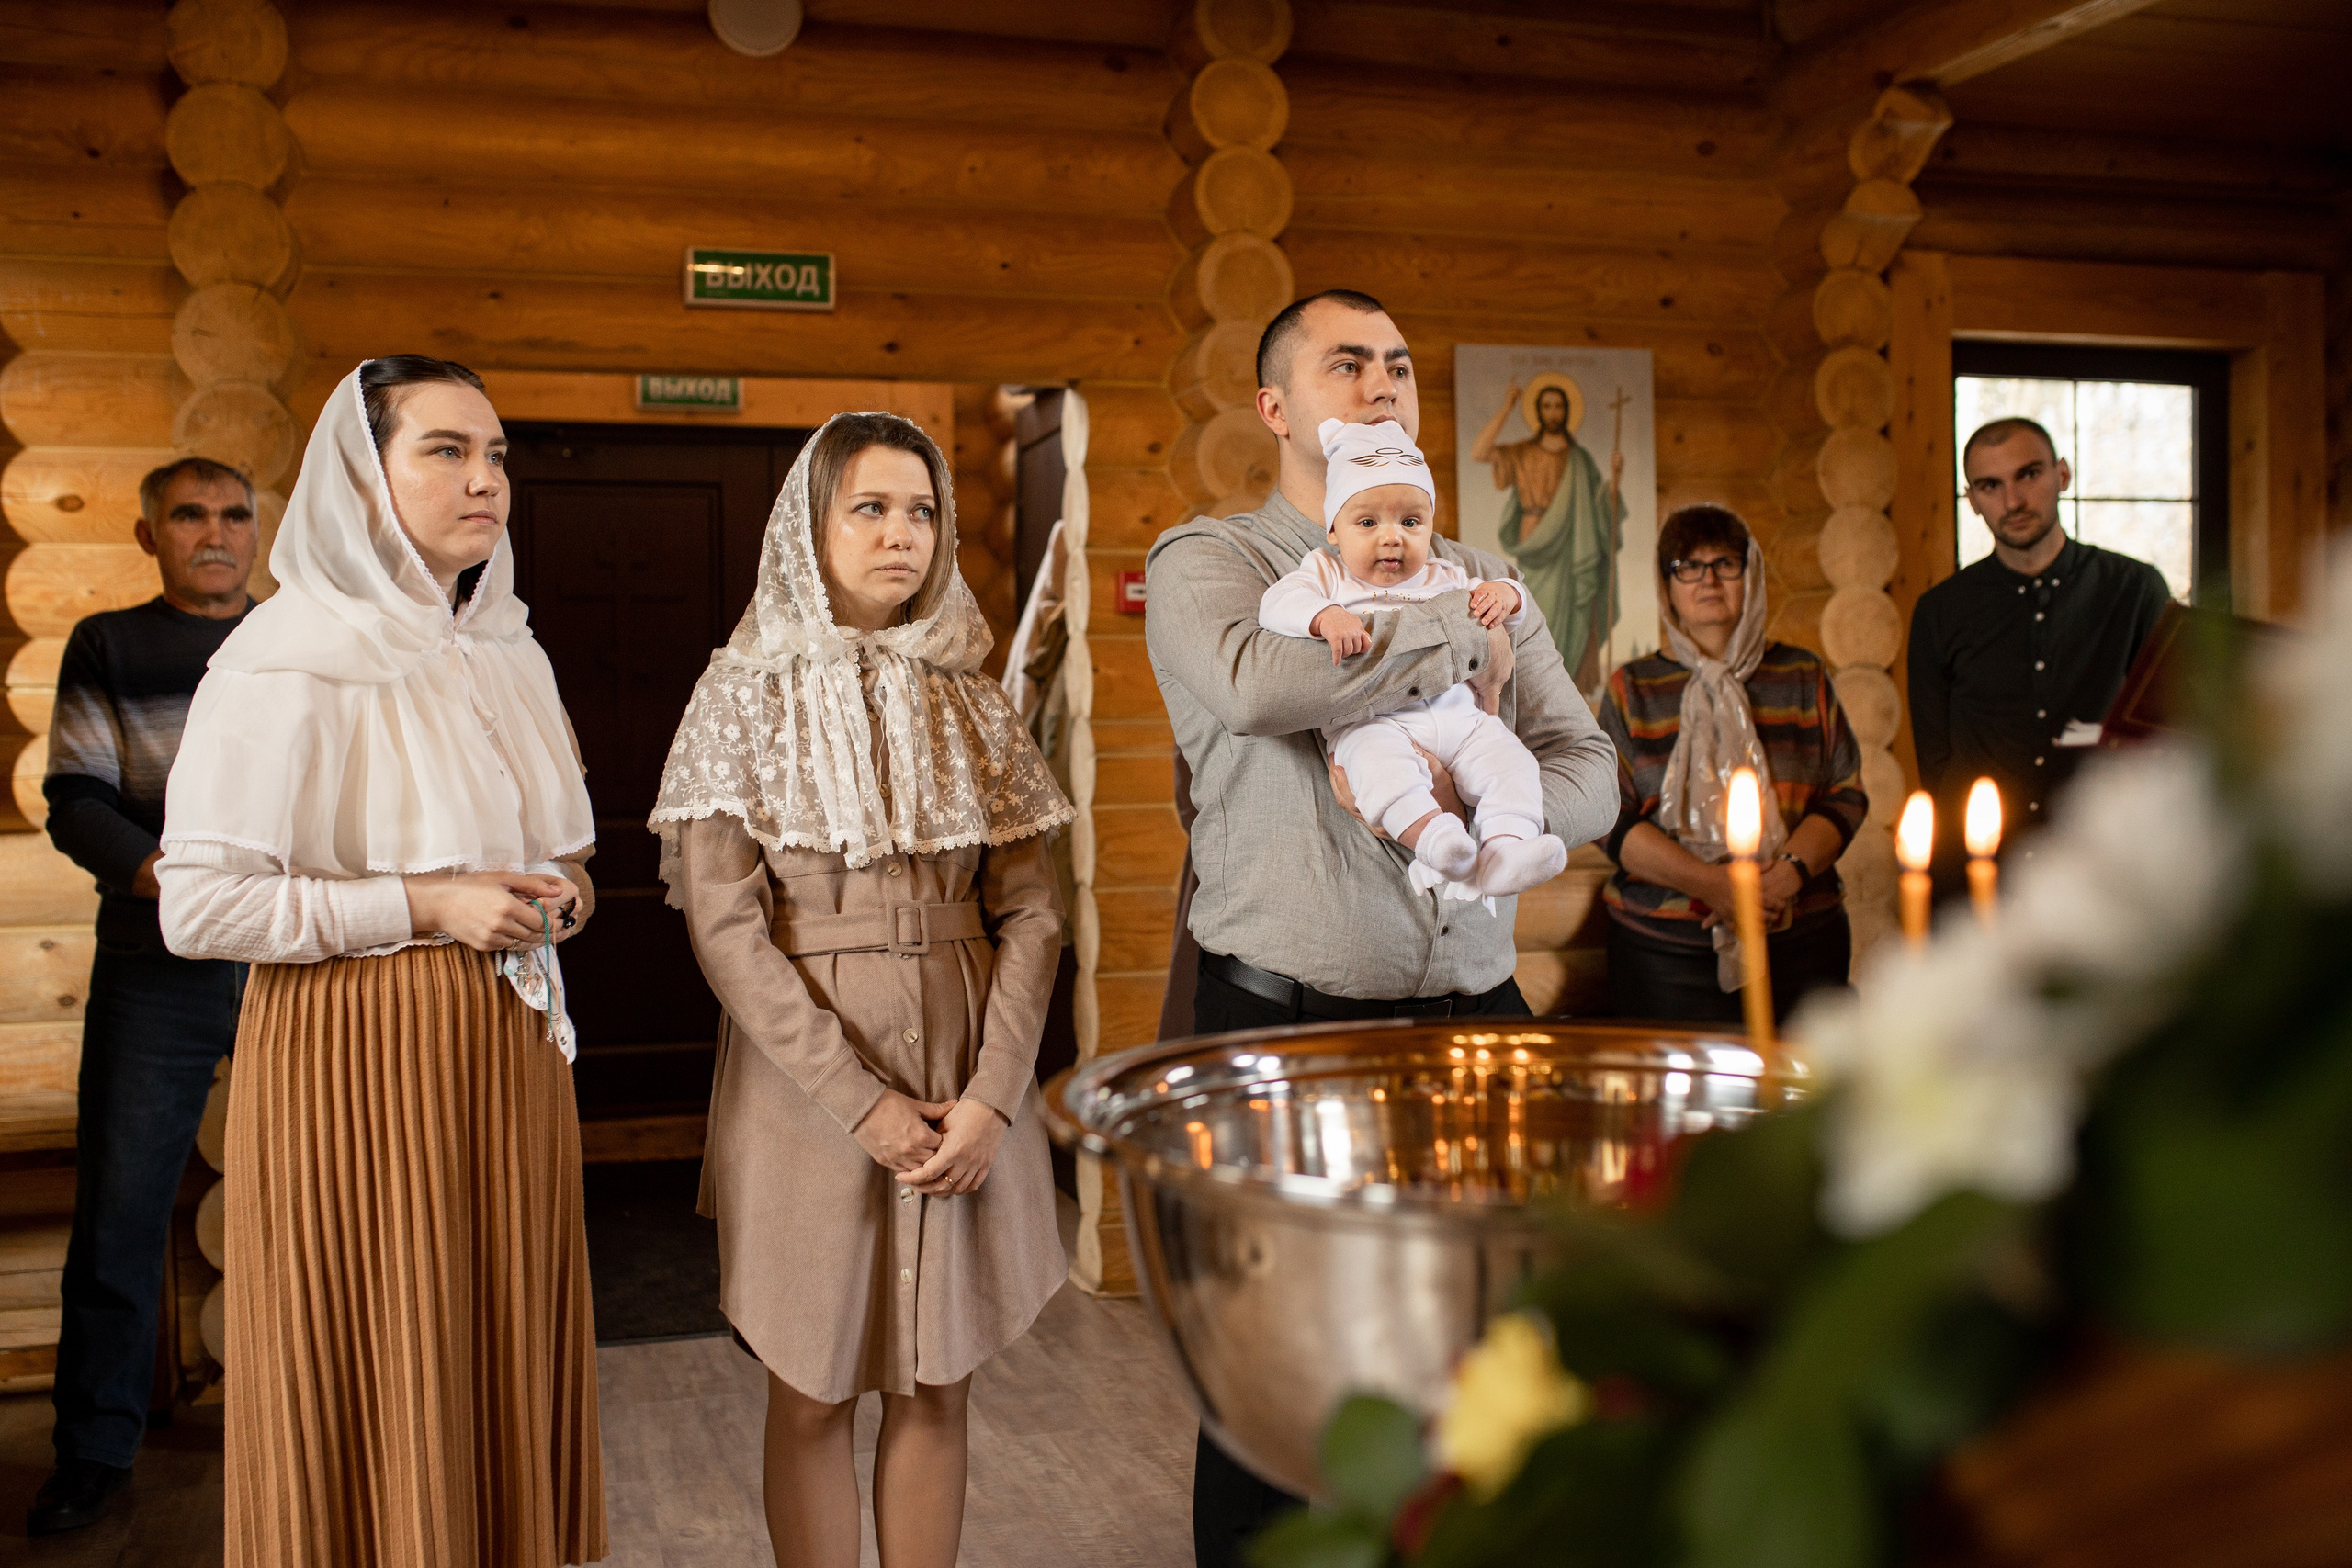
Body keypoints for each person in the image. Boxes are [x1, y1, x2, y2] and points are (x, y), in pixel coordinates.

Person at [1143, 288, 1622, 1568]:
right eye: (1345, 363)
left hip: (1477, 1018)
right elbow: (1261, 686)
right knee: (1281, 1383)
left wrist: (1491, 794)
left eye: (1400, 365)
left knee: (1483, 1369)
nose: (1381, 384)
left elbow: (1592, 763)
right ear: (1276, 406)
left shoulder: (1490, 572)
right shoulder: (1214, 562)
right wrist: (1450, 635)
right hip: (1292, 1028)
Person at [157, 356, 605, 1566]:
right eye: (447, 450)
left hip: (508, 1053)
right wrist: (423, 901)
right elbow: (200, 907)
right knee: (381, 1364)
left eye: (498, 453)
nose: (486, 478)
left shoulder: (507, 648)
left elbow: (559, 855)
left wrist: (558, 895)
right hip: (356, 1060)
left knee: (498, 1362)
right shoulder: (281, 655)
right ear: (363, 478)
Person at [650, 412, 1072, 1568]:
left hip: (964, 1060)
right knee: (814, 1391)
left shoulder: (974, 701)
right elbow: (730, 935)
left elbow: (1033, 912)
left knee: (938, 1383)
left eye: (924, 511)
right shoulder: (739, 696)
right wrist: (861, 1103)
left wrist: (993, 1095)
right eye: (870, 509)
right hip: (806, 1081)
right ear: (810, 525)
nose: (903, 535)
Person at [27, 458, 256, 1536]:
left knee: (325, 1192)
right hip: (155, 960)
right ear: (146, 532)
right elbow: (75, 799)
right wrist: (176, 879)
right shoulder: (108, 648)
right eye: (189, 516)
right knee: (119, 1210)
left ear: (258, 532)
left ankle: (308, 1423)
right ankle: (94, 1451)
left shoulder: (290, 647)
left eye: (233, 515)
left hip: (287, 959)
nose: (214, 533)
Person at [1258, 416, 1566, 898]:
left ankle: (1507, 849)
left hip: (1462, 720)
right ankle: (1436, 841)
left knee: (1513, 762)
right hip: (1376, 722)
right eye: (1367, 522)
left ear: (1429, 527)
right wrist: (1324, 617)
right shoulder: (1325, 574)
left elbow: (1512, 610)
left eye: (1410, 522)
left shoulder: (1446, 574)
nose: (1391, 537)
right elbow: (1276, 605)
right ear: (1333, 529)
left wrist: (1505, 594)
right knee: (1379, 770)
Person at [1596, 505, 1867, 1023]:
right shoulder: (1633, 688)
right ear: (1666, 584)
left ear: (1752, 573)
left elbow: (1846, 792)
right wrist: (1713, 886)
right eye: (1688, 566)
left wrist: (1786, 875)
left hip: (1799, 935)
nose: (1709, 580)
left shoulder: (1801, 674)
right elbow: (1606, 815)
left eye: (1726, 563)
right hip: (1665, 949)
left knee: (1802, 1097)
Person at [1908, 417, 2170, 876]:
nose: (2013, 501)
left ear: (2062, 475)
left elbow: (2167, 733)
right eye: (1990, 485)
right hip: (1982, 872)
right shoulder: (1939, 611)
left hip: (2105, 865)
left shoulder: (2134, 589)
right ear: (1971, 501)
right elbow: (1937, 762)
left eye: (2028, 474)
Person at [1471, 375, 1627, 689]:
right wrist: (1507, 407)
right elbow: (1479, 452)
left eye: (1558, 406)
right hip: (1536, 542)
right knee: (1535, 614)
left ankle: (1566, 691)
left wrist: (1615, 480)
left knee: (1574, 617)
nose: (1553, 412)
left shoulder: (1580, 459)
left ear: (1567, 411)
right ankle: (1535, 688)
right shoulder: (1523, 452)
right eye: (1546, 406)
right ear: (1538, 411)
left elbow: (1599, 508)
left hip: (1574, 548)